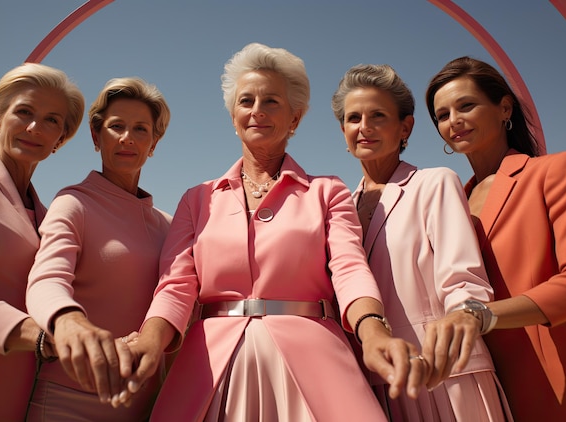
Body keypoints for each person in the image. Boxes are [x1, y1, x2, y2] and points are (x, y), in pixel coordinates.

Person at [113, 42, 428, 421]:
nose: (257, 111)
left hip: (317, 362)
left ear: (295, 119)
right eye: (246, 102)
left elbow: (350, 269)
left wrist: (373, 330)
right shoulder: (195, 199)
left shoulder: (328, 191)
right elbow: (176, 284)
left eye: (272, 102)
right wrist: (150, 337)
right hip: (208, 365)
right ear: (233, 116)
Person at [330, 63, 512, 421]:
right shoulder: (339, 208)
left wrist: (463, 320)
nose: (363, 128)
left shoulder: (435, 183)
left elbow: (464, 281)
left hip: (447, 373)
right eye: (353, 118)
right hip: (371, 382)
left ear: (405, 127)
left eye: (377, 115)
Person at [424, 56, 566, 421]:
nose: (453, 121)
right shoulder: (450, 200)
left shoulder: (553, 172)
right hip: (480, 383)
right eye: (442, 115)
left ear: (504, 107)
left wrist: (480, 315)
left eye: (466, 105)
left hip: (551, 373)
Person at [25, 77, 172, 421]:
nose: (127, 138)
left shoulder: (167, 224)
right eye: (116, 126)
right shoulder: (73, 203)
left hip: (149, 402)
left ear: (153, 143)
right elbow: (47, 278)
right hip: (69, 401)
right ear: (96, 136)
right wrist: (68, 320)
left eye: (140, 129)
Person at [0, 63, 84, 421]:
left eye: (52, 120)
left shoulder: (51, 215)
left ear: (60, 140)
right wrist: (38, 335)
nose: (35, 127)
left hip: (25, 399)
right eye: (24, 111)